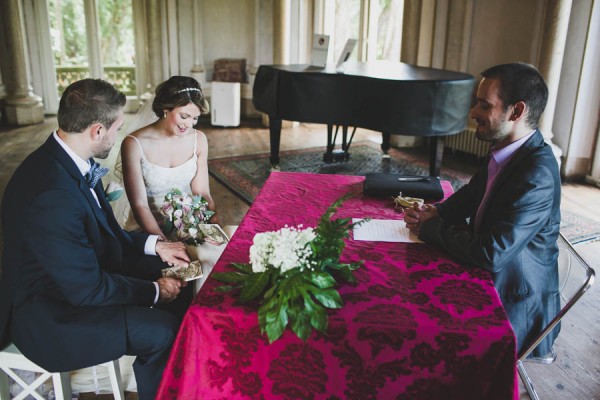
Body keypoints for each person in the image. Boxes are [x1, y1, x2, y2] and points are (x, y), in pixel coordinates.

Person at [0, 78, 193, 400]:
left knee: (184, 279)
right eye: (117, 128)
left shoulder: (70, 160)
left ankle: (183, 374)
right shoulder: (51, 194)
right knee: (162, 331)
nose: (118, 136)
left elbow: (107, 234)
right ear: (97, 131)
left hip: (77, 280)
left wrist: (155, 246)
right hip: (54, 315)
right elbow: (87, 289)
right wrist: (155, 291)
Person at [404, 62, 561, 358]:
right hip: (498, 278)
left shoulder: (536, 173)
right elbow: (473, 193)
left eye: (483, 105)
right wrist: (437, 212)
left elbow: (491, 254)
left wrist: (431, 228)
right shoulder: (508, 150)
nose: (473, 113)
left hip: (516, 304)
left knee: (418, 321)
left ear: (516, 112)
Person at [118, 76, 231, 289]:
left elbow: (201, 191)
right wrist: (165, 244)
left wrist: (209, 221)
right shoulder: (134, 144)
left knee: (220, 253)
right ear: (166, 108)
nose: (188, 125)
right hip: (149, 223)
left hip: (189, 219)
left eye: (195, 119)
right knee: (194, 264)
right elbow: (139, 204)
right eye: (184, 116)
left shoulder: (199, 139)